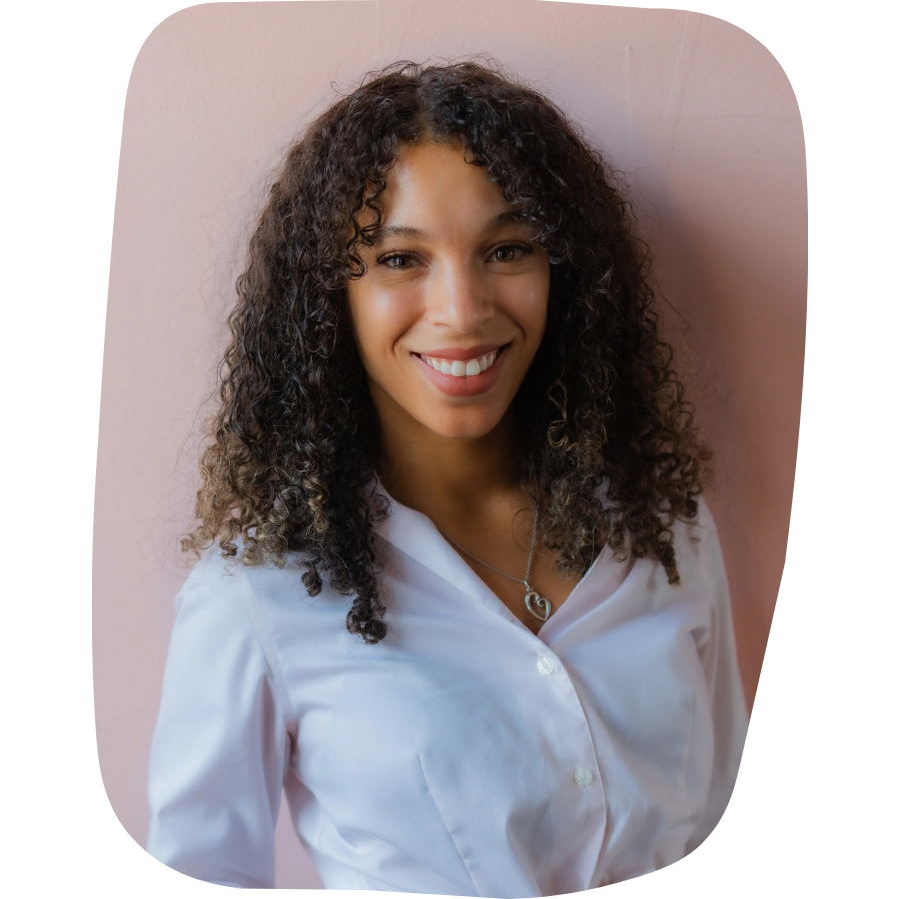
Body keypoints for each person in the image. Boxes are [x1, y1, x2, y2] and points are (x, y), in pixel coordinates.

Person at [147, 58, 749, 897]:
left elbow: (728, 823)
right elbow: (201, 878)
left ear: (562, 274)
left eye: (507, 248)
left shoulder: (664, 522)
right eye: (400, 260)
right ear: (333, 298)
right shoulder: (258, 592)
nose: (462, 310)